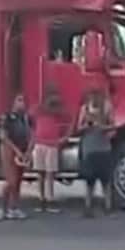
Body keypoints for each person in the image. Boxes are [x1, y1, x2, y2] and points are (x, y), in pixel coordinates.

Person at [31, 85, 70, 213]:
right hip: (40, 144)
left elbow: (69, 118)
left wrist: (65, 137)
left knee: (50, 174)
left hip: (52, 144)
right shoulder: (39, 109)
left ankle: (50, 199)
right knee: (40, 173)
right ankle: (41, 199)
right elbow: (30, 115)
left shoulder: (58, 110)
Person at [0, 93, 32, 221]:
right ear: (14, 102)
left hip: (23, 150)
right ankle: (1, 208)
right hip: (9, 150)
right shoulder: (7, 117)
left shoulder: (26, 118)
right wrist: (16, 151)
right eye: (19, 100)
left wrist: (28, 151)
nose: (22, 103)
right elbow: (4, 137)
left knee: (18, 181)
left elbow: (32, 135)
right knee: (11, 181)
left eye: (24, 100)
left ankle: (13, 208)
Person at [77, 89, 115, 217]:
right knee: (90, 181)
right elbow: (78, 128)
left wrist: (104, 128)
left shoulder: (107, 107)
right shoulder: (85, 109)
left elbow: (113, 126)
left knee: (106, 181)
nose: (94, 98)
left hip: (104, 147)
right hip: (89, 148)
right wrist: (87, 126)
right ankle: (88, 207)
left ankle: (108, 206)